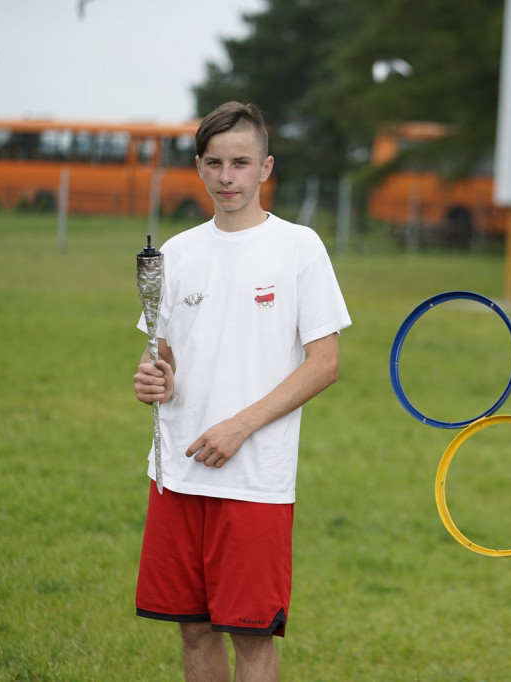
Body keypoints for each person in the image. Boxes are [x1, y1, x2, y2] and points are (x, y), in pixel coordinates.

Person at [131, 101, 351, 682]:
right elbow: (164, 354)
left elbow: (324, 363)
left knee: (251, 635)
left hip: (255, 478)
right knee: (194, 631)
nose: (227, 177)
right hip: (177, 469)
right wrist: (153, 377)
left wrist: (239, 425)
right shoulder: (176, 253)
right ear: (200, 168)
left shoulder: (299, 248)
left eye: (241, 163)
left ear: (265, 168)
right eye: (215, 163)